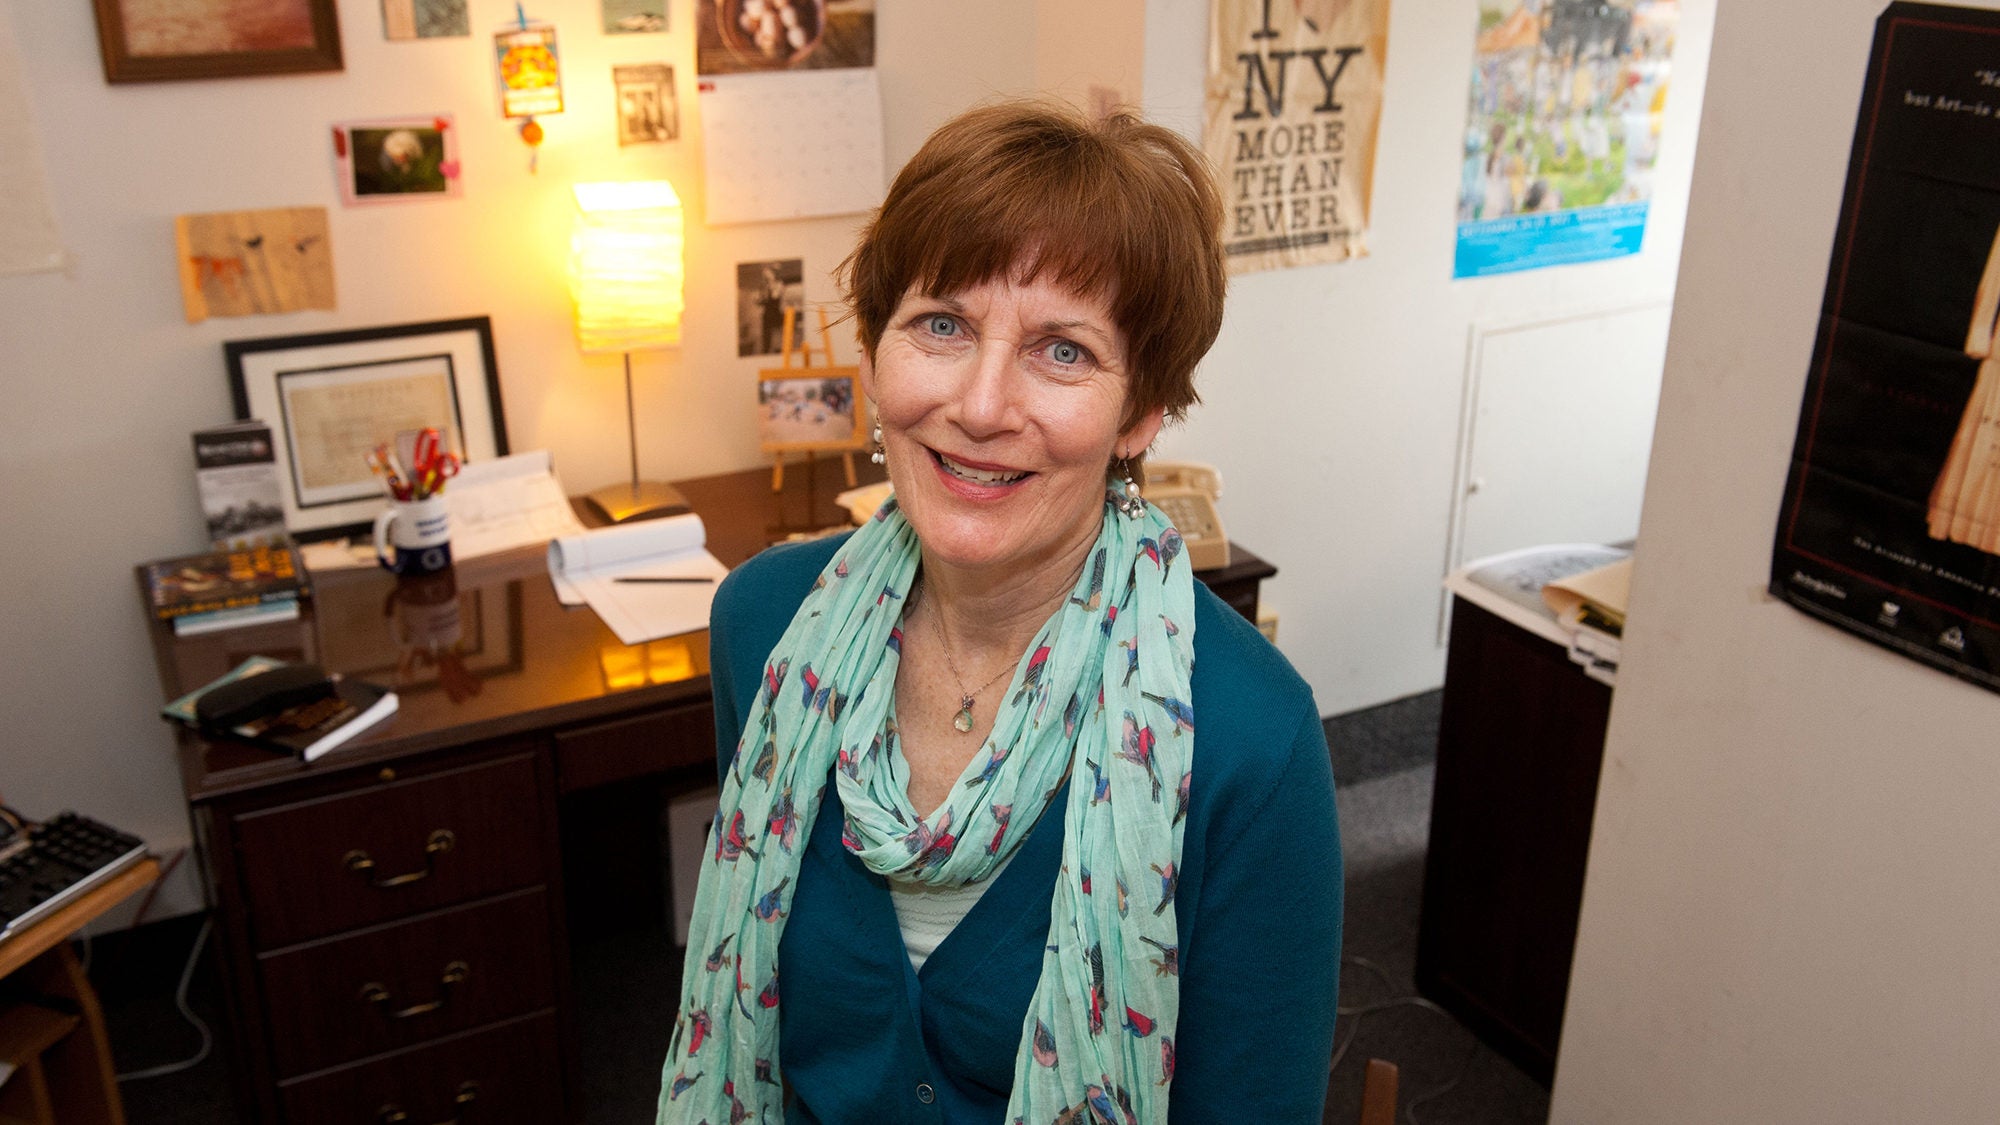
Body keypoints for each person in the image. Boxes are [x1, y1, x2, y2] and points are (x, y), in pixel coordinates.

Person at [658, 99, 1341, 1125]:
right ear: (875, 355)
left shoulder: (1249, 736)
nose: (979, 407)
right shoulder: (763, 628)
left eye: (1061, 350)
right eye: (941, 326)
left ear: (1142, 410)